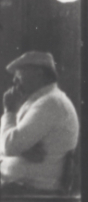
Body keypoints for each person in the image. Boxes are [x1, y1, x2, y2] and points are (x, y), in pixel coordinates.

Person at [1, 51, 79, 192]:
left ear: (38, 73)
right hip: (15, 185)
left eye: (19, 74)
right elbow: (9, 143)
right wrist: (22, 150)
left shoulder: (51, 103)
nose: (14, 81)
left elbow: (9, 145)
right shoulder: (40, 101)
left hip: (29, 190)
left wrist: (9, 111)